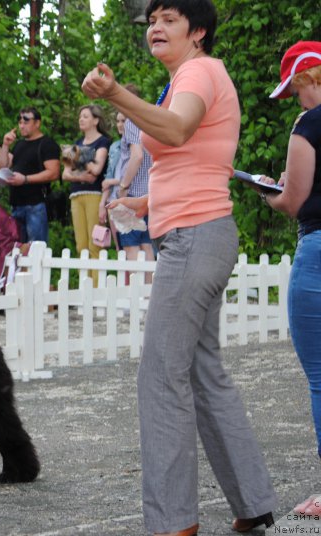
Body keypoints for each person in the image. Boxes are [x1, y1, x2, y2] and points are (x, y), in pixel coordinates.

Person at [82, 0, 277, 534]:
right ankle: (253, 501)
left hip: (195, 241)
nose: (156, 29)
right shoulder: (186, 79)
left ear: (199, 31)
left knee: (160, 376)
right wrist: (143, 205)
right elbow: (197, 161)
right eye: (151, 22)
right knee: (201, 371)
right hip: (199, 234)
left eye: (169, 19)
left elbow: (176, 132)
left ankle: (173, 523)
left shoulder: (198, 71)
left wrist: (116, 93)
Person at [259, 40, 321, 518]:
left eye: (295, 91)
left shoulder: (310, 124)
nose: (295, 103)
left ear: (308, 78)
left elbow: (295, 201)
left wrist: (272, 193)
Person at [61, 104, 111, 287]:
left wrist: (79, 157)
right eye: (80, 116)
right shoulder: (75, 143)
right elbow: (65, 174)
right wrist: (82, 175)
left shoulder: (103, 142)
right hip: (76, 195)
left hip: (94, 195)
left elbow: (96, 170)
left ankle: (97, 289)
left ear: (96, 120)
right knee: (80, 244)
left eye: (86, 116)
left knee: (95, 243)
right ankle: (85, 287)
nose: (81, 119)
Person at [0, 107, 60, 243]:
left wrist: (25, 179)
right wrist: (5, 145)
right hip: (16, 204)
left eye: (26, 121)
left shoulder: (47, 144)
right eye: (19, 121)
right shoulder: (19, 144)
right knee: (17, 250)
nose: (21, 124)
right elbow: (2, 167)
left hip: (36, 205)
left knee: (35, 251)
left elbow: (54, 173)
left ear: (37, 123)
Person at [114, 84, 156, 283]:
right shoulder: (149, 120)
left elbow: (136, 156)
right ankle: (148, 294)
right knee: (146, 244)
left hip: (133, 193)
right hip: (151, 192)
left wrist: (123, 186)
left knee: (130, 244)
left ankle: (136, 295)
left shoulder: (131, 121)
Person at [99, 111, 127, 250]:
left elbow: (135, 177)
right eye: (118, 121)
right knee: (119, 248)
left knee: (132, 246)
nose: (120, 125)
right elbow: (108, 176)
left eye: (124, 121)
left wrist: (111, 182)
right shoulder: (115, 146)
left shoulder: (139, 146)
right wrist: (102, 203)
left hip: (129, 200)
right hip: (113, 201)